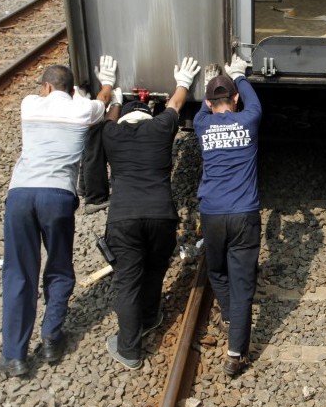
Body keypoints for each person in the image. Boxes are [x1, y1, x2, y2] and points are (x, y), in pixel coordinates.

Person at [0, 59, 116, 377]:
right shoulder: (83, 112)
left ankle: (14, 356)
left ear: (47, 87)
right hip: (58, 197)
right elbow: (103, 99)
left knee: (19, 273)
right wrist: (106, 81)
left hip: (21, 195)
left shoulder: (29, 105)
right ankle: (51, 337)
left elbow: (69, 99)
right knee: (60, 267)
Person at [95, 56, 200, 370]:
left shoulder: (111, 135)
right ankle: (151, 316)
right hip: (161, 216)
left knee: (127, 282)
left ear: (124, 117)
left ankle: (129, 349)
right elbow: (177, 103)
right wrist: (183, 80)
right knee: (154, 270)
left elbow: (108, 116)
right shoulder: (159, 128)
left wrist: (112, 93)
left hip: (124, 218)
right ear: (146, 116)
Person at [194, 56, 263, 377]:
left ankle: (232, 317)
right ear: (234, 98)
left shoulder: (201, 124)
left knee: (217, 271)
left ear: (209, 102)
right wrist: (240, 75)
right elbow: (253, 101)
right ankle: (235, 354)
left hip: (212, 214)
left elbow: (202, 109)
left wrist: (208, 81)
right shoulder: (249, 120)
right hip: (244, 214)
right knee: (243, 284)